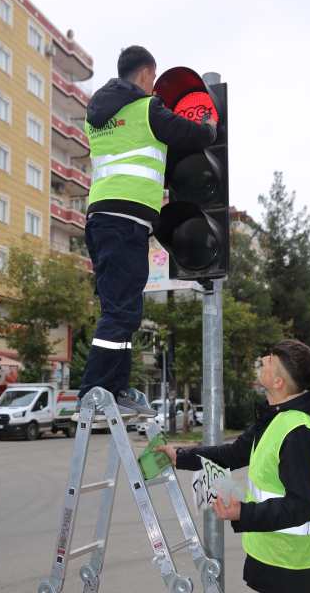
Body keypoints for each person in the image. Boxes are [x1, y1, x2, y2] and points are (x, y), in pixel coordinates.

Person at [78, 46, 217, 413]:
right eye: (153, 79)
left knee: (121, 309)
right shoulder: (147, 109)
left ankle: (116, 391)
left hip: (103, 219)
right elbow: (191, 134)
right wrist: (209, 125)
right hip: (125, 222)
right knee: (121, 312)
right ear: (145, 74)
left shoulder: (94, 117)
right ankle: (94, 391)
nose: (153, 86)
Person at [157, 339, 310, 593]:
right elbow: (233, 454)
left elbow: (300, 507)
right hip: (271, 556)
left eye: (268, 362)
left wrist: (242, 513)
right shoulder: (274, 419)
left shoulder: (299, 432)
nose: (261, 362)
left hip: (291, 568)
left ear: (279, 382)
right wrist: (179, 457)